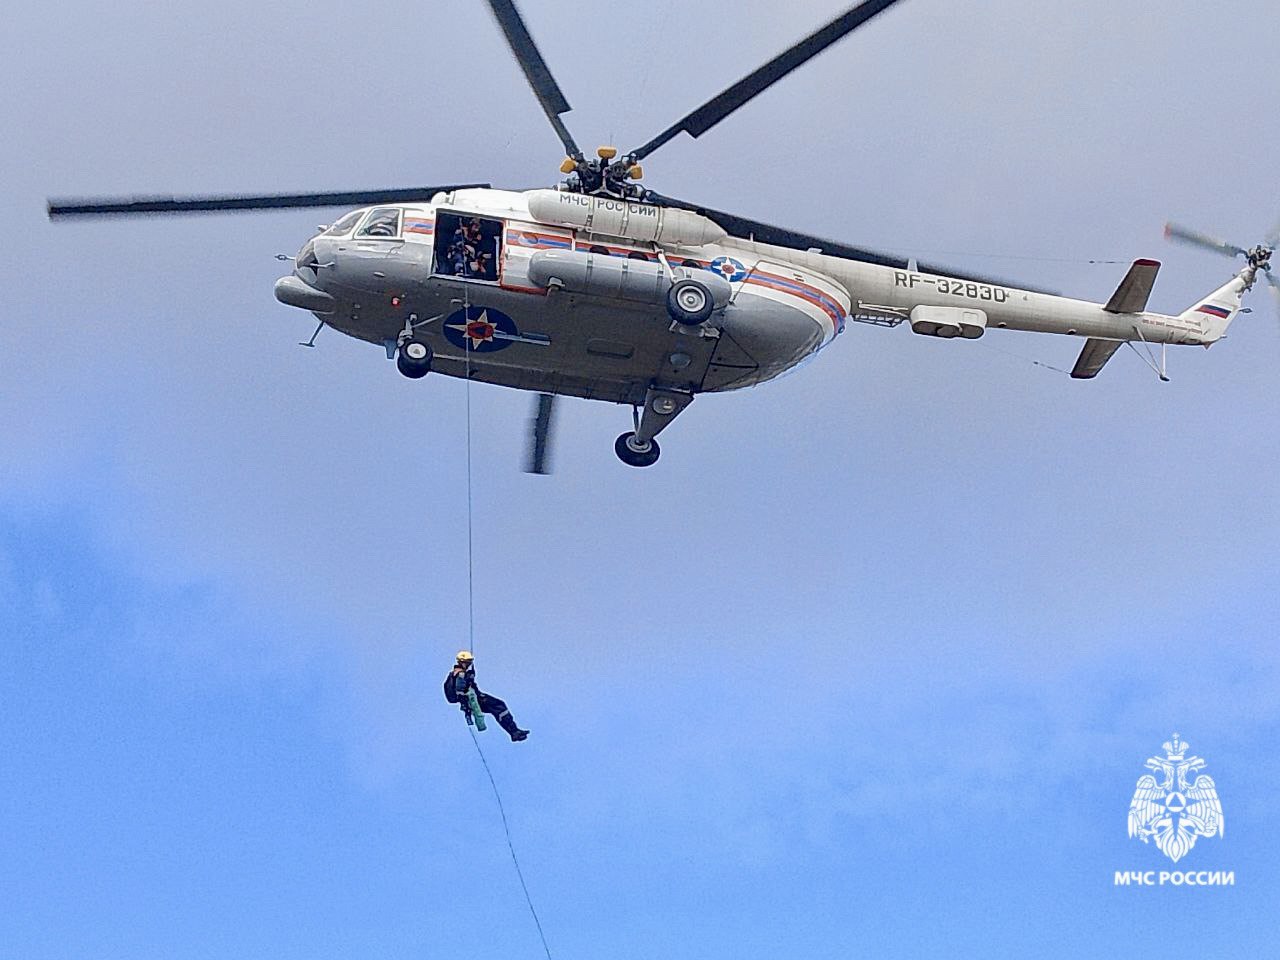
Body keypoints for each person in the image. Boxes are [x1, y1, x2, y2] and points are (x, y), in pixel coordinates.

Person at [444, 651, 529, 741]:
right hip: (474, 700)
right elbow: (460, 691)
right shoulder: (460, 674)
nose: (469, 664)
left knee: (498, 709)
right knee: (499, 706)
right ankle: (514, 732)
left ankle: (514, 732)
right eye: (468, 662)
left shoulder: (457, 673)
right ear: (462, 662)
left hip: (474, 699)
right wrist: (466, 704)